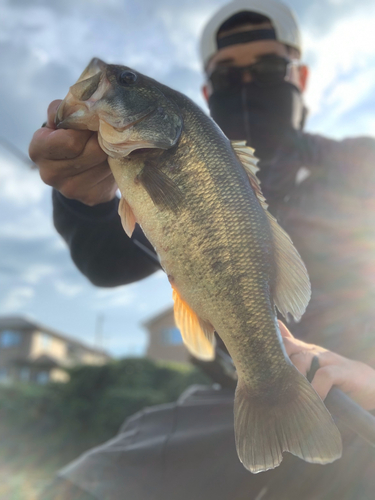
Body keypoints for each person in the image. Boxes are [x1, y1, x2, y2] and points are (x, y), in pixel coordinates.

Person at [29, 0, 375, 498]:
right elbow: (106, 263)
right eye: (229, 73)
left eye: (269, 67)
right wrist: (83, 197)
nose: (250, 81)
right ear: (208, 90)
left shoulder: (359, 164)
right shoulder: (158, 156)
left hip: (361, 403)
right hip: (229, 398)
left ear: (300, 76)